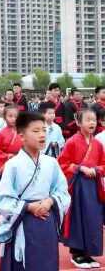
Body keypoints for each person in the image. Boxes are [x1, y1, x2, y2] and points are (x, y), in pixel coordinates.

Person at [0, 112, 70, 271]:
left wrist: (50, 201)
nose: (42, 135)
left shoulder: (51, 163)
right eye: (35, 131)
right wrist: (28, 207)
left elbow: (62, 191)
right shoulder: (13, 165)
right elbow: (2, 200)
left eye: (44, 130)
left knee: (47, 262)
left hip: (46, 219)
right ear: (22, 136)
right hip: (22, 220)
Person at [58, 109, 105, 268]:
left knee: (93, 218)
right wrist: (80, 168)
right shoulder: (72, 141)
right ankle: (77, 253)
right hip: (77, 185)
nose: (92, 123)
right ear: (78, 123)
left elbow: (104, 164)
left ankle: (88, 253)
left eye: (94, 120)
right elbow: (62, 163)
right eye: (88, 120)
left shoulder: (97, 143)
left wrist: (97, 170)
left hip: (93, 186)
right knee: (78, 218)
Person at [0, 105, 22, 175]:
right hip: (7, 160)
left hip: (21, 158)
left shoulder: (22, 131)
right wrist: (7, 156)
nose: (13, 119)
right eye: (10, 116)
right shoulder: (1, 133)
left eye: (16, 116)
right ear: (4, 117)